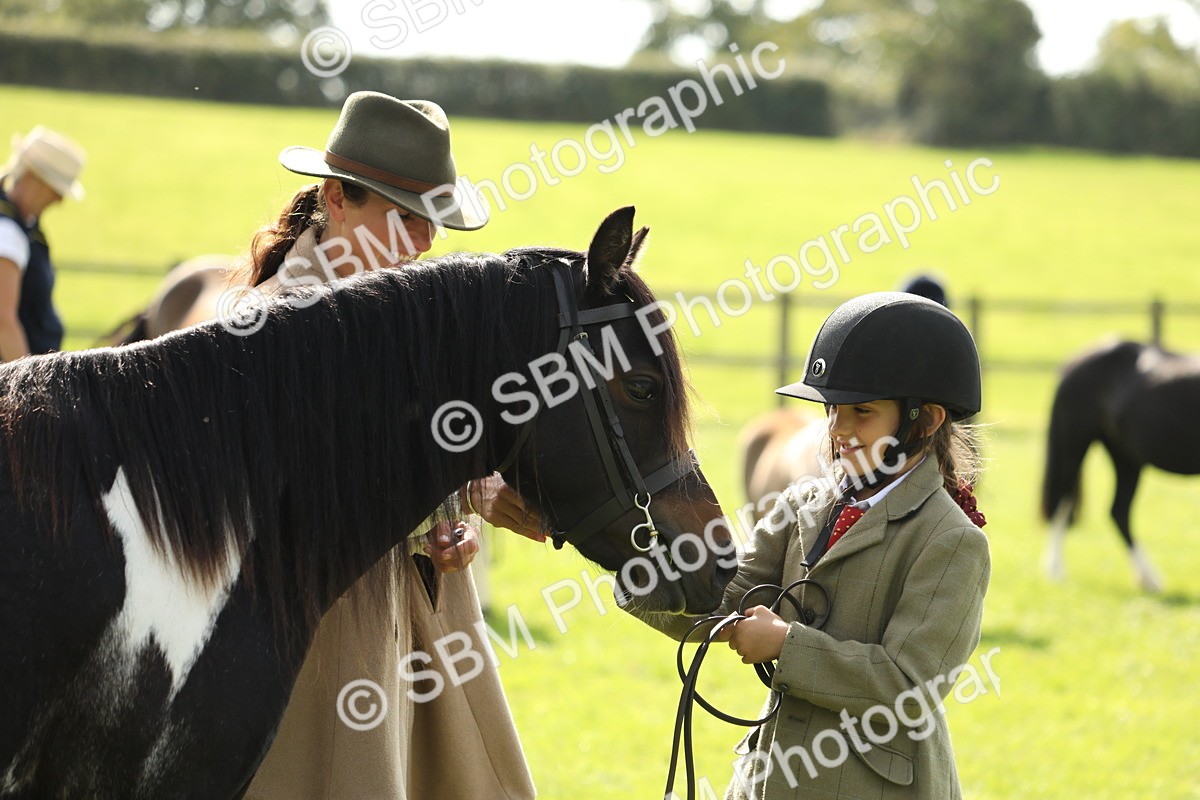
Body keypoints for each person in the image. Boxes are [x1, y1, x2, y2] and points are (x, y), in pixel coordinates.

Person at [240, 91, 544, 800]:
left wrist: (462, 513)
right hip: (318, 633)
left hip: (421, 616)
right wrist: (432, 509)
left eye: (432, 221)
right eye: (405, 216)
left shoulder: (415, 313)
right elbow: (289, 491)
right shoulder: (271, 324)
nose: (426, 241)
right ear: (336, 198)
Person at [636, 292, 990, 799]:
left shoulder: (952, 541)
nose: (838, 429)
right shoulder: (804, 502)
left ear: (926, 420)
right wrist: (636, 566)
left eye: (862, 411)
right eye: (833, 409)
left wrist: (786, 645)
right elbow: (724, 595)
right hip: (769, 779)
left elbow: (909, 687)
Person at [0, 126, 86, 361]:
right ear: (31, 178)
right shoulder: (7, 233)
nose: (59, 199)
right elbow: (3, 323)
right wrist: (31, 382)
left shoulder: (24, 226)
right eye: (55, 189)